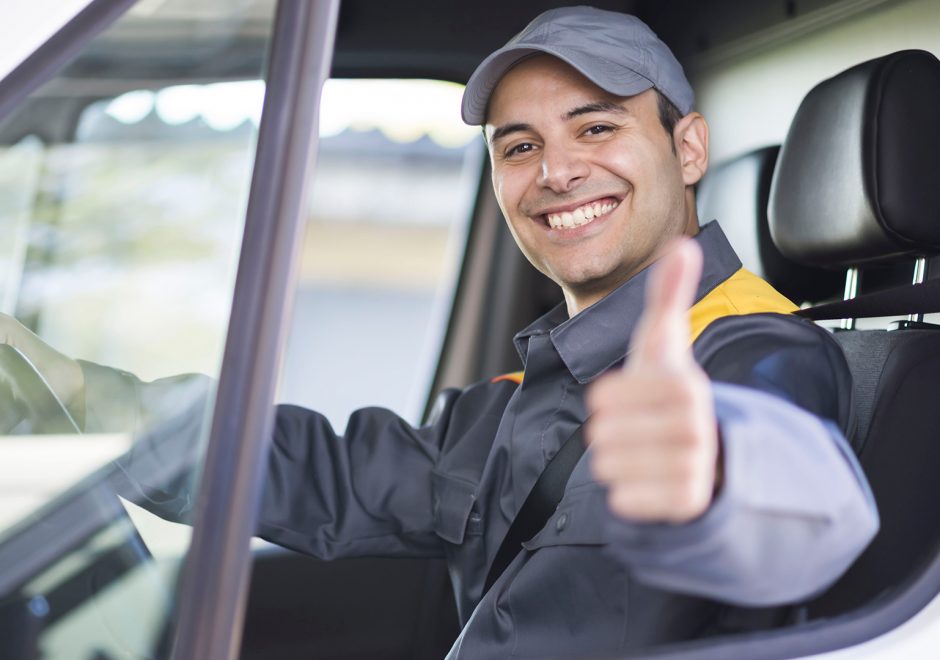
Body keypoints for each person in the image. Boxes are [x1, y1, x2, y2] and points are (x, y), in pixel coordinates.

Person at [0, 6, 877, 659]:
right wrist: (87, 396)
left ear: (687, 150)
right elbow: (333, 476)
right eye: (519, 146)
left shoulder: (754, 352)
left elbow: (794, 495)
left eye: (597, 127)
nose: (558, 171)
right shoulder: (533, 392)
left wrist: (717, 478)